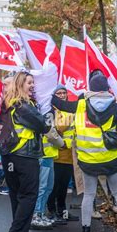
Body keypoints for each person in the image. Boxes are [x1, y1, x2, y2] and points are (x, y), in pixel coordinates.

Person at [51, 71, 117, 232]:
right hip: (110, 160)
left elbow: (60, 104)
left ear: (90, 88)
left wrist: (45, 87)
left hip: (87, 161)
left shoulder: (81, 104)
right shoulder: (114, 107)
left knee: (88, 195)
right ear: (107, 88)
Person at [2, 72, 49, 232]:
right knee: (29, 195)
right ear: (20, 84)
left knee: (16, 195)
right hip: (25, 156)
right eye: (29, 82)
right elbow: (43, 125)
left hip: (9, 156)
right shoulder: (23, 106)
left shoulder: (8, 104)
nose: (32, 86)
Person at [47, 85, 78, 224]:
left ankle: (63, 212)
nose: (61, 95)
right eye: (58, 93)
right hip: (57, 153)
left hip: (70, 154)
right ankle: (52, 212)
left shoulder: (71, 109)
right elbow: (58, 128)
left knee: (64, 186)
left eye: (63, 92)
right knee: (55, 185)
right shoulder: (53, 110)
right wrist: (70, 117)